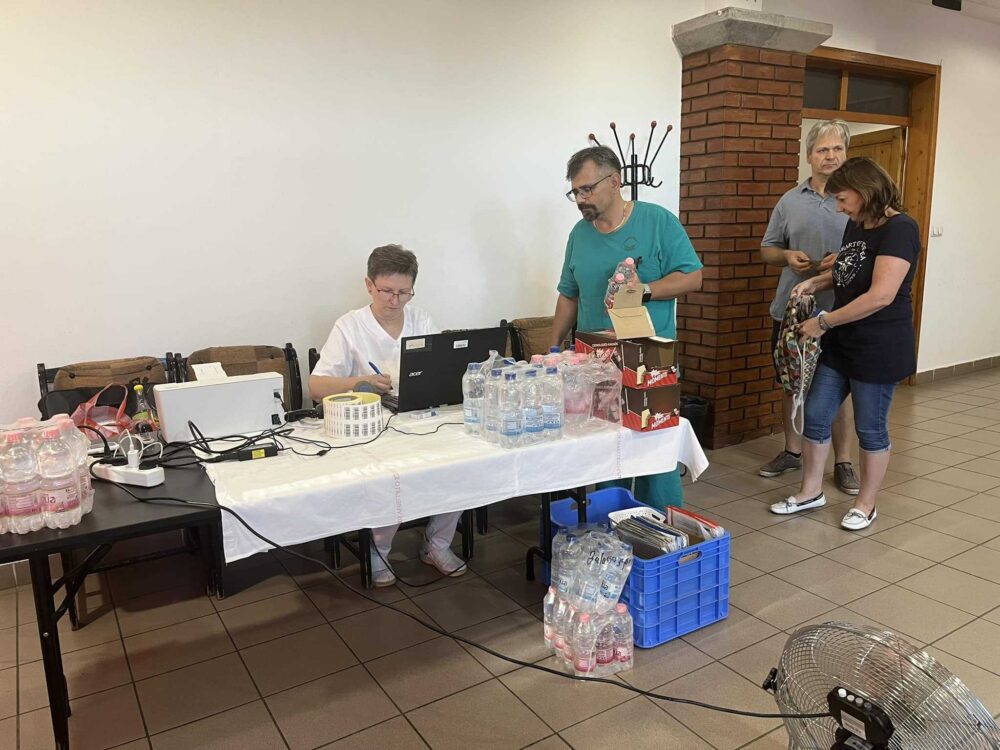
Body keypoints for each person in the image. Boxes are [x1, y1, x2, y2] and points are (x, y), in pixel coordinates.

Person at [770, 157, 920, 530]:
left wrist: (823, 321)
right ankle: (810, 492)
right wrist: (814, 282)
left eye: (842, 199)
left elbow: (880, 295)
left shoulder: (901, 229)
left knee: (870, 428)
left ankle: (865, 504)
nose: (839, 208)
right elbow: (848, 273)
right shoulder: (857, 224)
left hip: (879, 346)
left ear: (865, 191)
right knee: (817, 414)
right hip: (843, 341)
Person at [550, 146, 703, 509]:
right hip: (598, 367)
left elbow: (692, 277)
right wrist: (552, 348)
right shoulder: (579, 234)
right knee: (607, 456)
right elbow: (568, 294)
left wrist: (645, 289)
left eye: (587, 189)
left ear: (615, 181)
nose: (580, 199)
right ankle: (611, 527)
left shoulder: (657, 221)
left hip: (651, 366)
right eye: (575, 192)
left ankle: (661, 529)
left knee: (655, 459)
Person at [310, 244, 466, 585]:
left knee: (462, 463)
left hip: (419, 417)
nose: (395, 301)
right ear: (369, 285)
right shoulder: (350, 326)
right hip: (371, 426)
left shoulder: (421, 320)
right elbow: (316, 387)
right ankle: (378, 550)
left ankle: (438, 544)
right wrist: (359, 382)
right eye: (387, 291)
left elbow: (440, 368)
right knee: (393, 476)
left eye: (403, 292)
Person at [758, 119, 859, 495]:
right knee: (792, 382)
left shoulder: (857, 199)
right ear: (809, 155)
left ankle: (843, 461)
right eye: (822, 149)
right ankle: (792, 451)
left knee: (840, 389)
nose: (830, 156)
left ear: (846, 153)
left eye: (837, 149)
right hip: (793, 310)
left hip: (842, 311)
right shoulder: (790, 200)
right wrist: (786, 255)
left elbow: (872, 251)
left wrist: (845, 259)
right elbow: (767, 249)